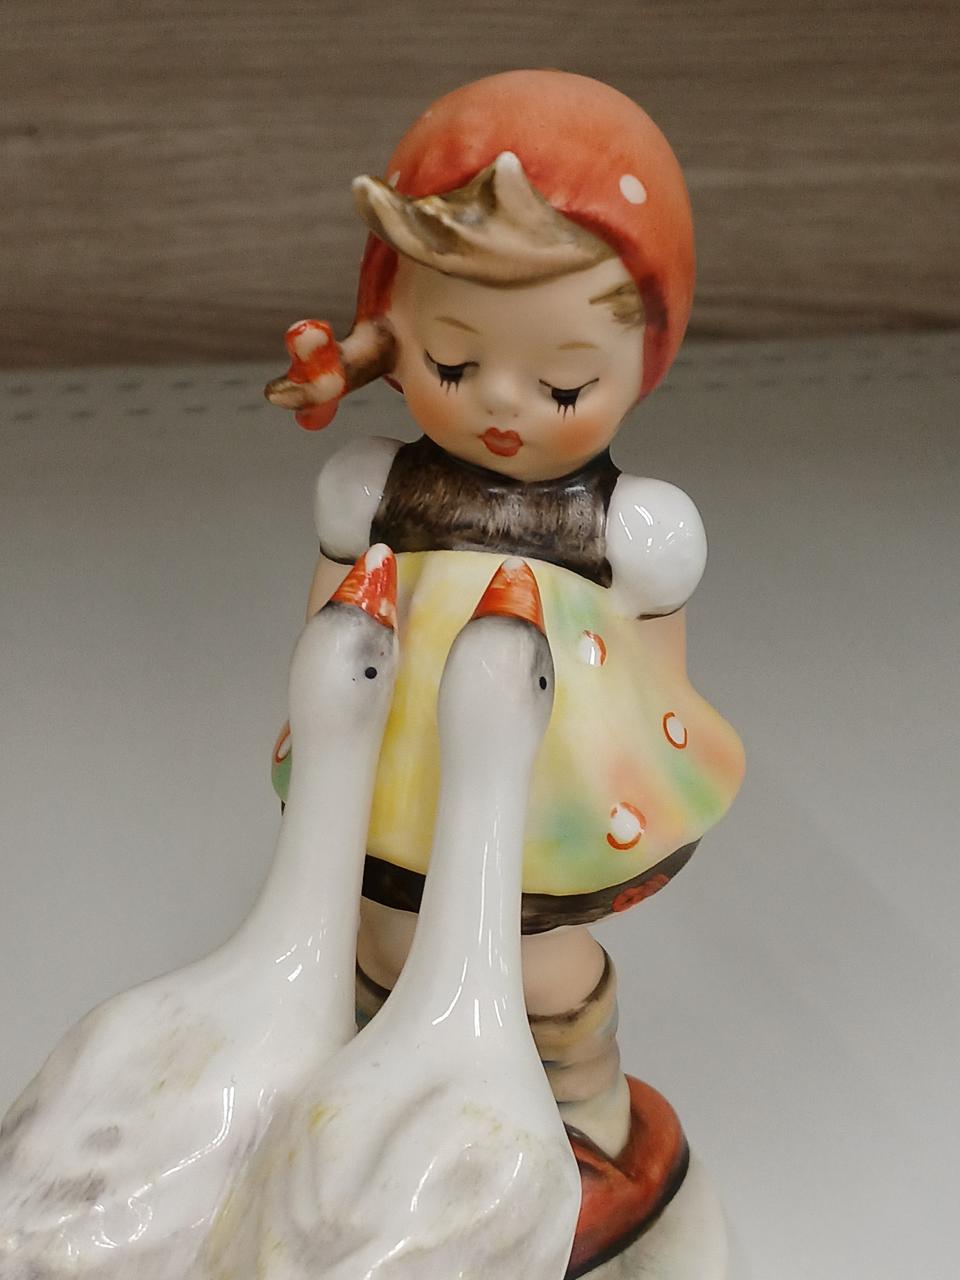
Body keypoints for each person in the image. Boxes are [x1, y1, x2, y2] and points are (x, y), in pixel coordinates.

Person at [267, 69, 744, 1265]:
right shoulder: (372, 488)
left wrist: (654, 752)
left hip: (547, 792)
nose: (500, 404)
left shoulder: (635, 529)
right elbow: (329, 616)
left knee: (540, 960)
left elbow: (659, 669)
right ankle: (375, 1107)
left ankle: (582, 1121)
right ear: (394, 333)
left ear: (642, 360)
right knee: (386, 935)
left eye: (564, 383)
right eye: (451, 360)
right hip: (399, 770)